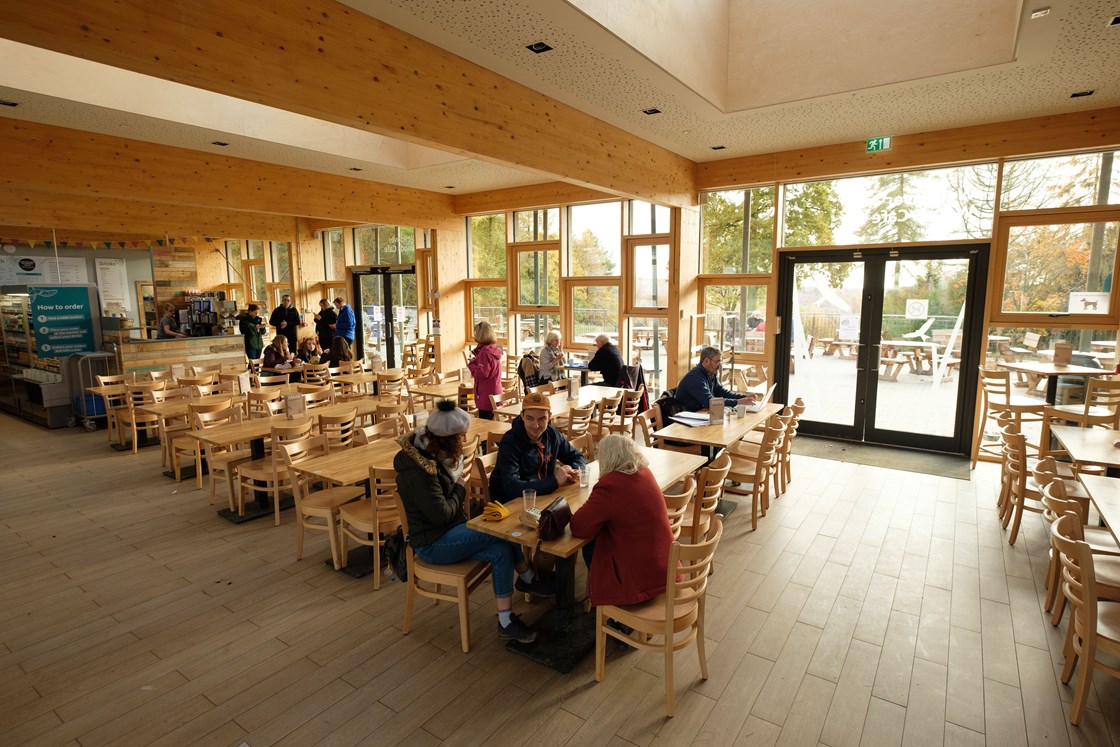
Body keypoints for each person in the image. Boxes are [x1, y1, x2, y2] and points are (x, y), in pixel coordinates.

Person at [395, 400, 553, 643]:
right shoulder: (419, 471)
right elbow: (443, 514)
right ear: (447, 439)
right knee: (501, 531)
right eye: (460, 436)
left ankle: (505, 620)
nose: (464, 440)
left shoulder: (438, 457)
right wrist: (460, 489)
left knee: (500, 548)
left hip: (451, 530)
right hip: (431, 544)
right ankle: (528, 576)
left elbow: (448, 511)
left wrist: (458, 492)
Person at [570, 435, 674, 607]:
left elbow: (579, 527)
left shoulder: (610, 485)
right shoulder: (645, 473)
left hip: (640, 580)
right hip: (664, 567)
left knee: (590, 544)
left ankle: (610, 608)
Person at [490, 392, 585, 504]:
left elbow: (577, 456)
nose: (536, 425)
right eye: (530, 419)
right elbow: (512, 488)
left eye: (542, 419)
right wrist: (555, 481)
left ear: (549, 416)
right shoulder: (510, 442)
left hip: (543, 497)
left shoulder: (553, 434)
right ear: (522, 416)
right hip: (509, 504)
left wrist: (575, 470)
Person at [675, 346, 756, 411]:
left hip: (701, 413)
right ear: (706, 361)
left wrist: (744, 397)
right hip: (687, 418)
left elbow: (722, 392)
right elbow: (709, 402)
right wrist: (737, 402)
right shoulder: (694, 377)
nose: (719, 365)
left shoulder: (710, 373)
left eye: (720, 362)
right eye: (717, 362)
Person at [467, 321, 503, 420]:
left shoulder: (484, 352)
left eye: (476, 333)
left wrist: (472, 365)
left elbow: (483, 374)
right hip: (495, 389)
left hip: (486, 394)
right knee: (492, 422)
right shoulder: (493, 349)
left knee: (485, 424)